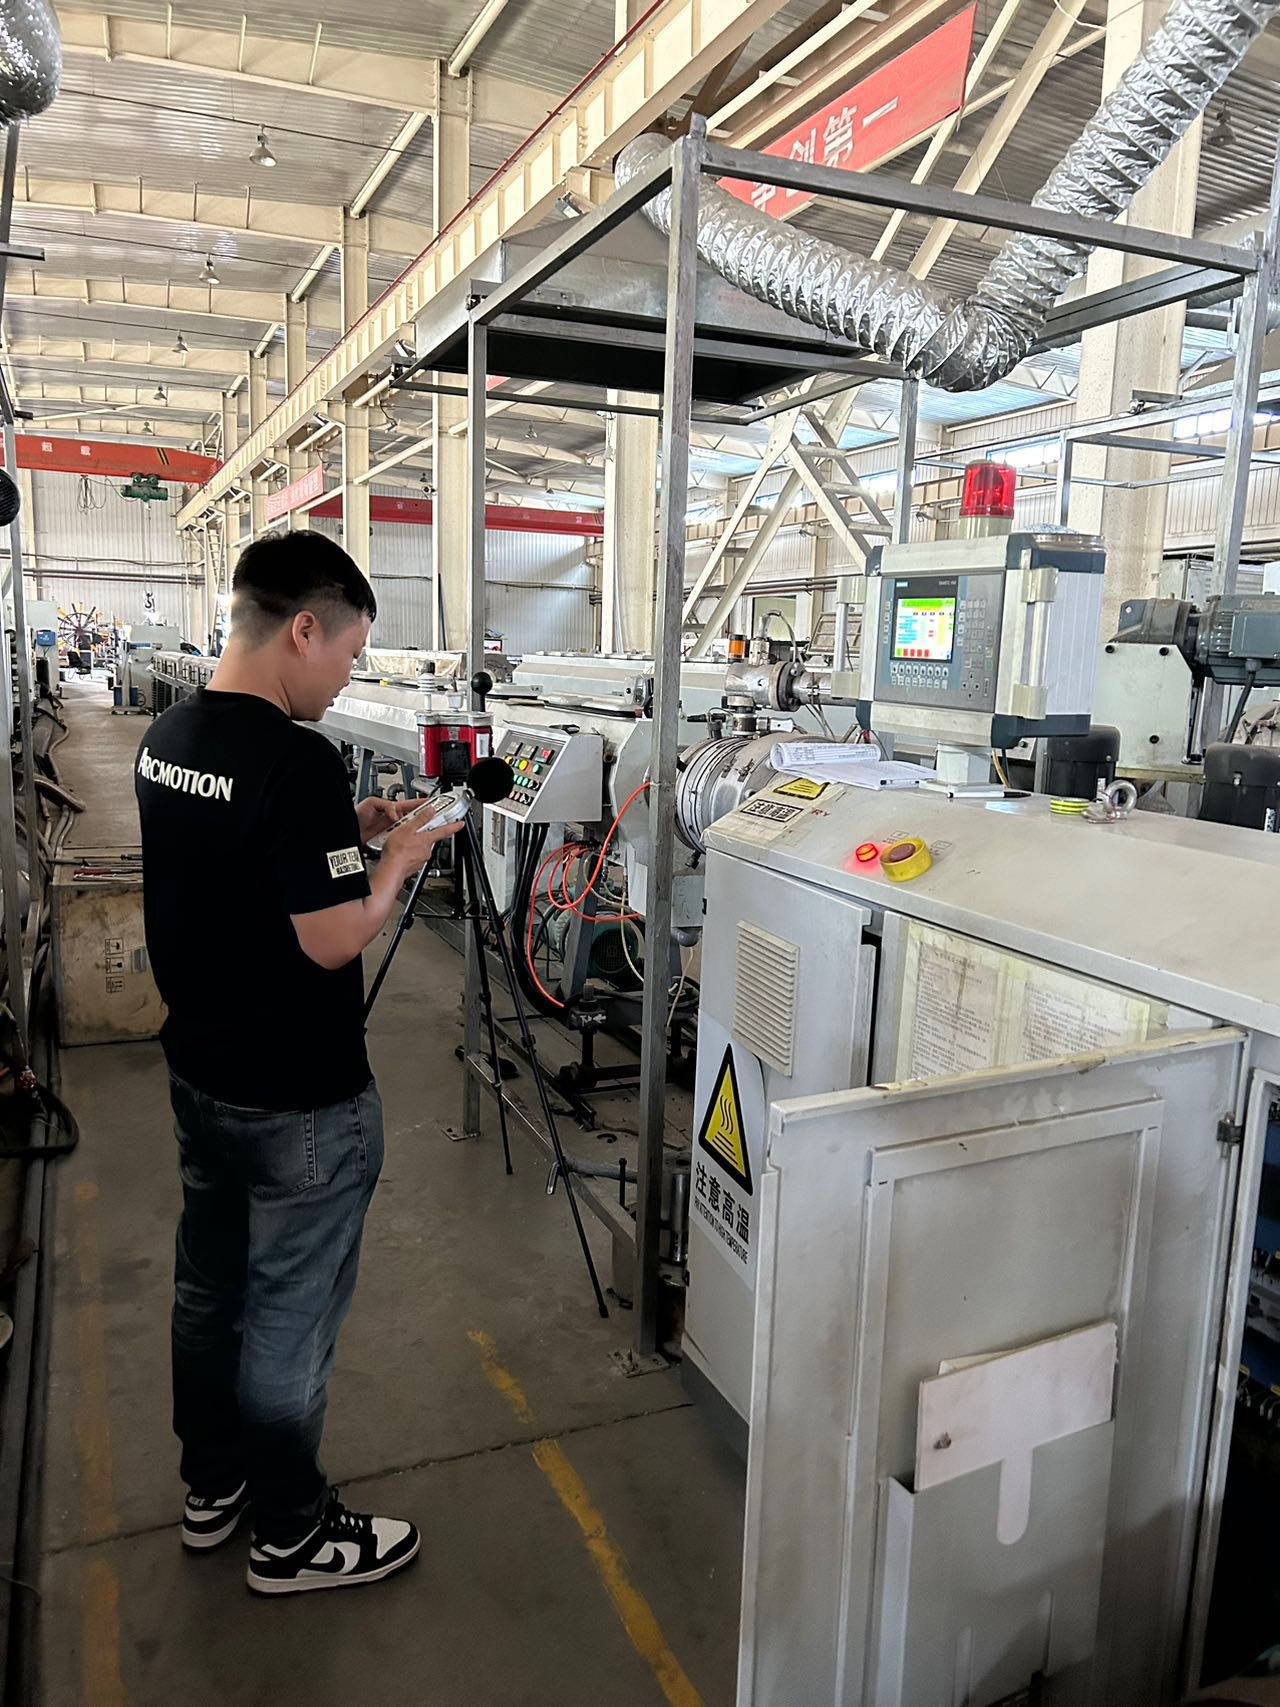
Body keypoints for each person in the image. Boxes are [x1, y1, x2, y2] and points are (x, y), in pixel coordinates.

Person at [135, 531, 462, 1596]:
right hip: (298, 1101)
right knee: (288, 1313)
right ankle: (290, 1533)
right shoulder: (294, 758)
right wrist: (397, 860)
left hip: (202, 1075)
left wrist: (345, 831)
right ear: (305, 629)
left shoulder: (169, 735)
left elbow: (239, 864)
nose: (348, 678)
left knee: (208, 1289)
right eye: (351, 654)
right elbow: (330, 938)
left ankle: (214, 1486)